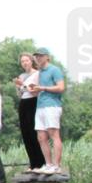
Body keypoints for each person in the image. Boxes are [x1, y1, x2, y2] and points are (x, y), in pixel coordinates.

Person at [28, 47, 66, 175]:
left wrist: (43, 88)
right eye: (36, 56)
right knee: (41, 137)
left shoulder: (54, 70)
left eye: (40, 56)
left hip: (52, 105)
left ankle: (57, 165)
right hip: (40, 106)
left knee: (53, 134)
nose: (37, 58)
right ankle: (48, 164)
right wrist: (34, 90)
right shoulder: (39, 72)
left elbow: (61, 87)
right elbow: (39, 90)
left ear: (47, 57)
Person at [12, 53, 45, 173]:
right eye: (22, 61)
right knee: (25, 133)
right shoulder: (21, 75)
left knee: (33, 132)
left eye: (26, 60)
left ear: (31, 61)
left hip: (33, 102)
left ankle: (41, 162)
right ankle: (33, 163)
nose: (25, 63)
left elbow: (34, 91)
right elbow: (20, 94)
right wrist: (18, 87)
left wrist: (23, 85)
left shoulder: (37, 74)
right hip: (23, 103)